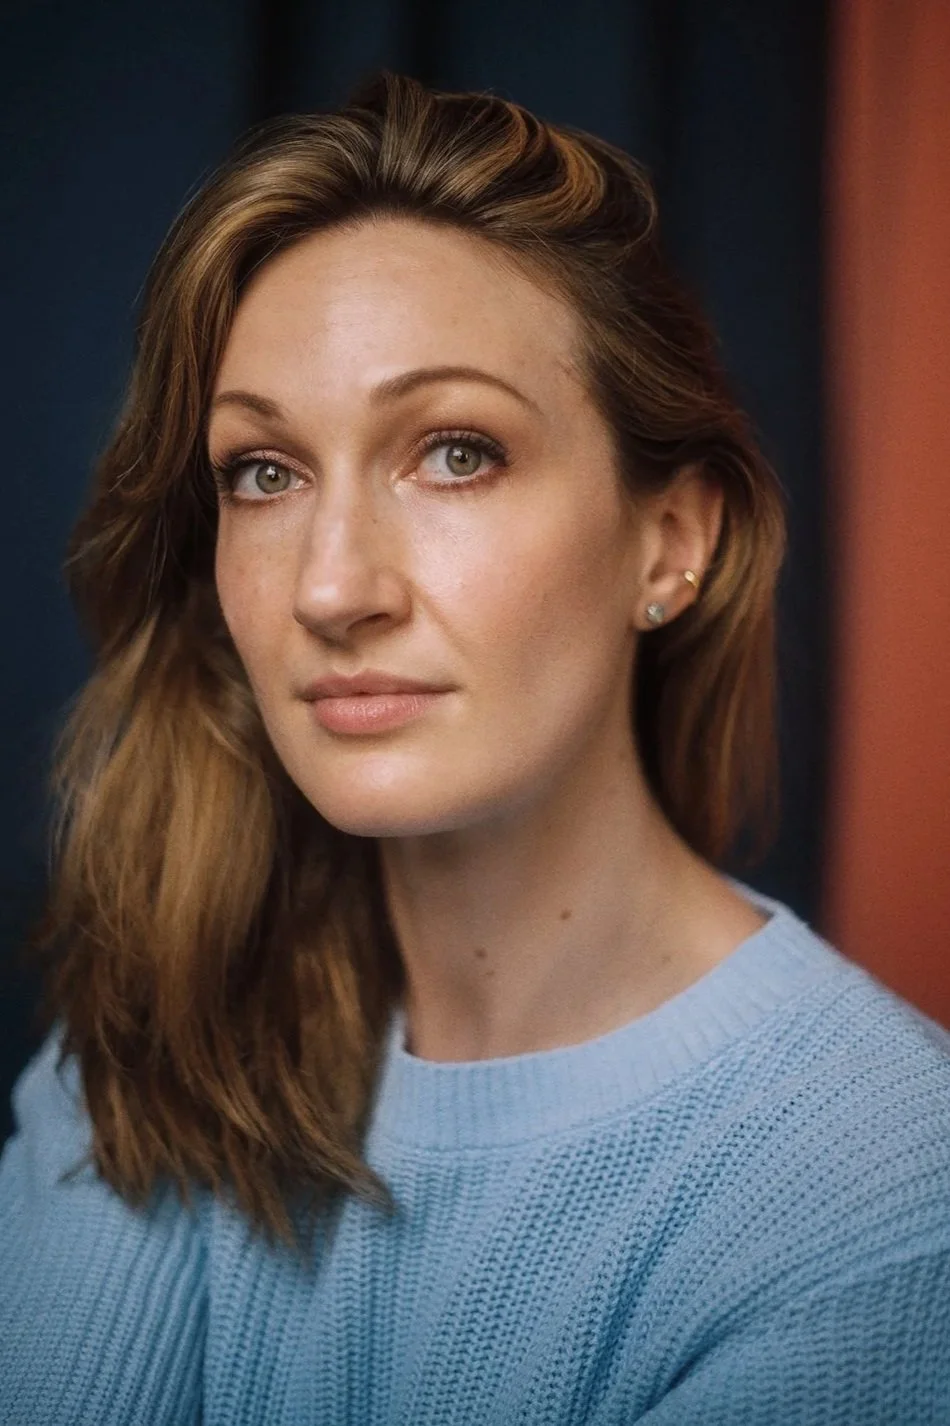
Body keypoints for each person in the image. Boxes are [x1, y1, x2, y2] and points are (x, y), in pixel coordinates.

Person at [1, 70, 948, 1426]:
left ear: (670, 540)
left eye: (453, 451)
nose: (332, 588)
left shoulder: (880, 1193)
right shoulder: (157, 1035)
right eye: (262, 473)